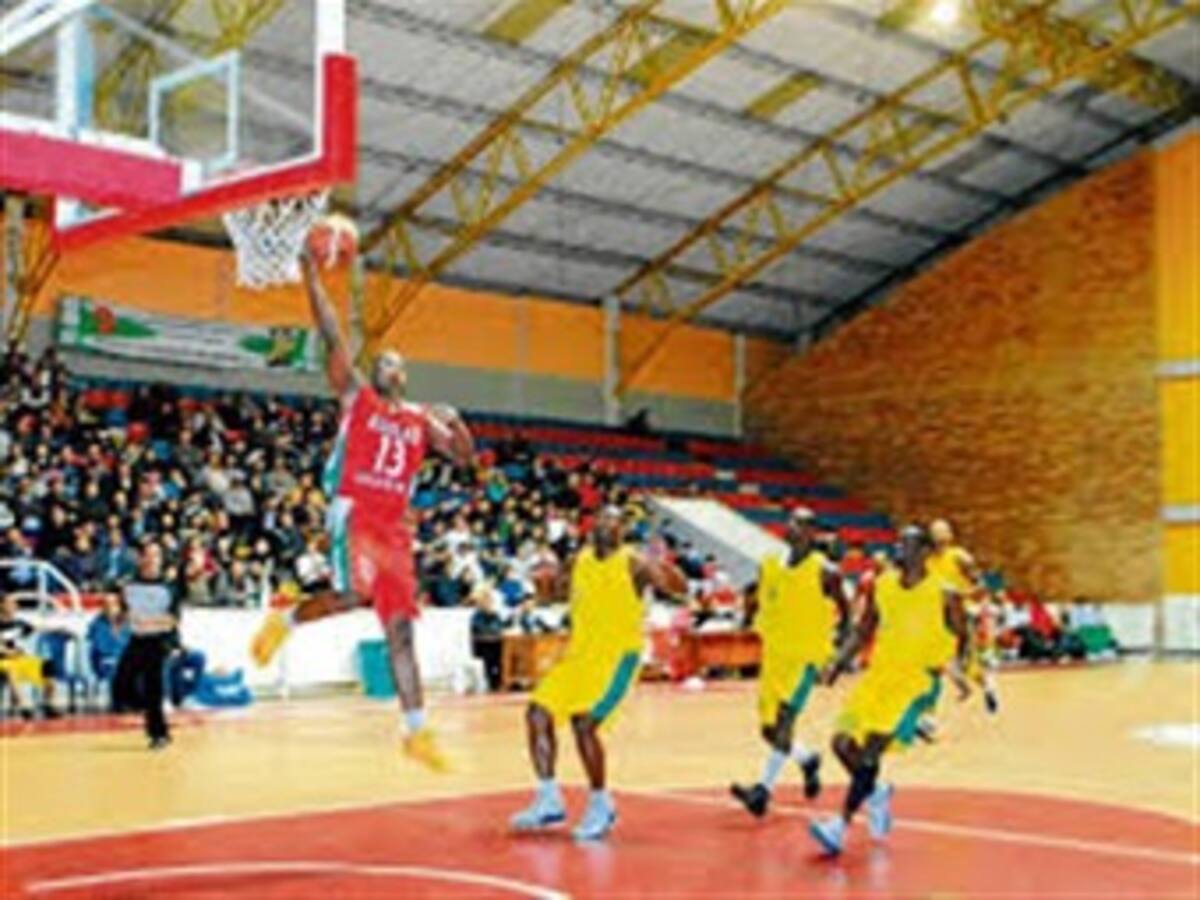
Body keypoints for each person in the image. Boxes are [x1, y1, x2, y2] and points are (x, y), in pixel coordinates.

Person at [249, 242, 473, 772]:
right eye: (380, 361)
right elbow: (331, 332)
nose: (386, 365)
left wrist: (459, 424)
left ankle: (416, 731)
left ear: (406, 374)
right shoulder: (357, 397)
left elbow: (463, 458)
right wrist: (308, 273)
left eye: (394, 362)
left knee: (399, 628)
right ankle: (288, 617)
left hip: (395, 525)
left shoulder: (421, 419)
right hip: (356, 510)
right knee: (354, 592)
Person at [509, 506, 685, 842]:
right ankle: (548, 798)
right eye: (602, 519)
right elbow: (556, 594)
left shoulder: (634, 562)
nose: (606, 525)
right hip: (578, 658)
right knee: (536, 713)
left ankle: (601, 803)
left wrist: (663, 568)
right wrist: (545, 582)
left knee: (584, 723)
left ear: (622, 530)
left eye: (614, 521)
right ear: (592, 526)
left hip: (618, 659)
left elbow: (680, 589)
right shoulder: (580, 560)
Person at [808, 525, 969, 856]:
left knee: (870, 751)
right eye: (899, 544)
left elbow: (962, 636)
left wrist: (957, 670)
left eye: (909, 545)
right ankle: (877, 792)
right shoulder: (882, 586)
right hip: (878, 678)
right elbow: (863, 630)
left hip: (915, 683)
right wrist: (838, 662)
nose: (901, 550)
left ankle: (840, 825)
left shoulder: (945, 593)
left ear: (925, 552)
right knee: (841, 744)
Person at [731, 507, 846, 817]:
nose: (793, 526)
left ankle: (762, 791)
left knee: (784, 722)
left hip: (805, 659)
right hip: (775, 656)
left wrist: (838, 654)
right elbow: (755, 594)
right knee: (768, 731)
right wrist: (748, 616)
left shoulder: (826, 571)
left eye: (802, 523)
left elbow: (847, 614)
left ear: (812, 533)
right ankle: (807, 759)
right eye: (791, 521)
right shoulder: (770, 564)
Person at [112, 540, 182, 749]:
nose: (152, 560)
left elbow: (173, 620)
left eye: (156, 555)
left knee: (154, 685)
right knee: (122, 680)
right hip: (137, 638)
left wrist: (149, 622)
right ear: (140, 558)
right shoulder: (129, 585)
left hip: (159, 639)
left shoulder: (169, 587)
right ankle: (142, 709)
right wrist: (119, 620)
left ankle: (159, 733)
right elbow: (123, 610)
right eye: (148, 555)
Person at [928, 518, 998, 714]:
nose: (938, 537)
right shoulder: (928, 561)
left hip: (963, 612)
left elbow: (981, 585)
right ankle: (929, 714)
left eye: (942, 532)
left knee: (967, 663)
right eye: (935, 533)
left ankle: (986, 685)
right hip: (937, 616)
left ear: (950, 535)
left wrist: (962, 595)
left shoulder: (959, 556)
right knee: (937, 662)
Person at [0, 595, 61, 719]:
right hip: (3, 660)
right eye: (10, 603)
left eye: (15, 604)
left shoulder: (18, 623)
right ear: (1, 605)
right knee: (10, 671)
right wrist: (8, 652)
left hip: (19, 658)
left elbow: (38, 628)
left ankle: (48, 704)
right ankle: (23, 707)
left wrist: (60, 629)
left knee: (48, 665)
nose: (15, 606)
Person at [86, 594, 131, 683]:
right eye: (106, 604)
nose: (110, 607)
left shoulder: (130, 623)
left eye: (113, 604)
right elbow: (95, 647)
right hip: (105, 663)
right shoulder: (97, 623)